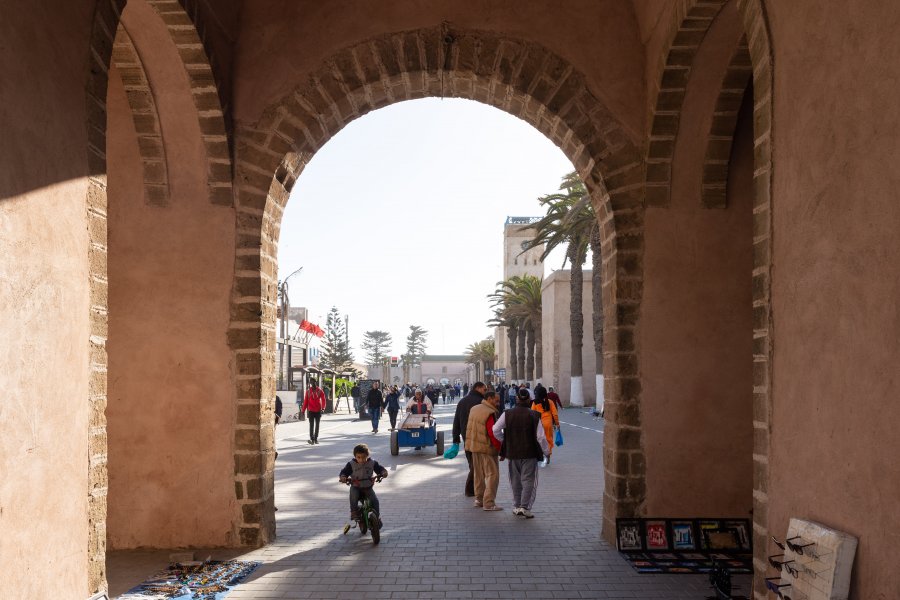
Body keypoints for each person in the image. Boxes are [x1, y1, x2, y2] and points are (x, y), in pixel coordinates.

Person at [493, 387, 550, 518]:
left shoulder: (507, 414)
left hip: (513, 453)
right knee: (528, 480)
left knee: (515, 480)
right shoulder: (534, 415)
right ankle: (525, 507)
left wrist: (505, 441)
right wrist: (546, 451)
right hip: (530, 453)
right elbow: (540, 437)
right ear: (529, 400)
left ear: (517, 399)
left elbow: (495, 429)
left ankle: (517, 506)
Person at [465, 390, 503, 511]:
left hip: (474, 447)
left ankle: (479, 499)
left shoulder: (474, 408)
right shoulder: (489, 412)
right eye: (496, 401)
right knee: (492, 475)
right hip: (486, 448)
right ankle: (489, 503)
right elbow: (493, 433)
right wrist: (500, 449)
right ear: (490, 398)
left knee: (478, 474)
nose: (498, 403)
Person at [451, 381, 486, 497]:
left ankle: (473, 489)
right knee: (476, 464)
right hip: (479, 437)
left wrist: (456, 438)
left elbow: (456, 421)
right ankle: (471, 489)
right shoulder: (481, 402)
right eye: (484, 389)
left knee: (473, 463)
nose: (485, 391)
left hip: (466, 436)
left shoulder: (462, 401)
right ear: (478, 388)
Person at [339, 443, 388, 526]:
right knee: (353, 496)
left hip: (368, 487)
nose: (361, 460)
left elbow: (380, 469)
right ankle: (354, 512)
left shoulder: (372, 463)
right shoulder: (351, 464)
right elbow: (344, 472)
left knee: (375, 501)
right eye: (358, 457)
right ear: (355, 456)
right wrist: (343, 477)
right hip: (356, 487)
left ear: (367, 456)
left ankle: (377, 518)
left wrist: (383, 472)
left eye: (364, 457)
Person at [531, 386, 559, 465]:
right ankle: (548, 455)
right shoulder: (549, 401)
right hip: (548, 423)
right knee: (548, 439)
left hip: (539, 424)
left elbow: (532, 414)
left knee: (539, 439)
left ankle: (541, 455)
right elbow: (555, 414)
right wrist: (557, 423)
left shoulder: (535, 402)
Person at [301, 380, 326, 444]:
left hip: (318, 410)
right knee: (311, 425)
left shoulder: (320, 391)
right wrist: (303, 410)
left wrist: (323, 408)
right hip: (311, 411)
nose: (313, 384)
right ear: (310, 383)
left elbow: (323, 400)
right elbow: (306, 401)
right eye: (311, 383)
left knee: (317, 425)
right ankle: (312, 439)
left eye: (314, 382)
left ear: (316, 382)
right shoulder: (308, 391)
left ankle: (316, 438)